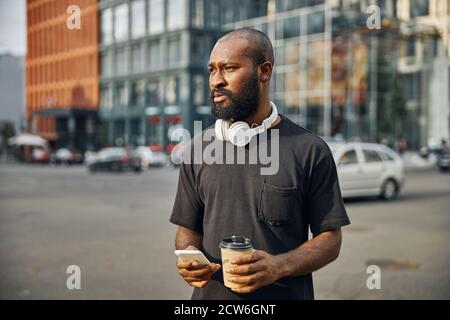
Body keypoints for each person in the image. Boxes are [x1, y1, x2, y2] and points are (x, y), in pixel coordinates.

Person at [170, 28, 350, 300]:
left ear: (264, 71)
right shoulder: (196, 150)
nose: (215, 81)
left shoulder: (310, 150)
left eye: (228, 68)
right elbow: (187, 232)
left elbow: (331, 240)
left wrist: (280, 266)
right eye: (212, 70)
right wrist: (189, 259)